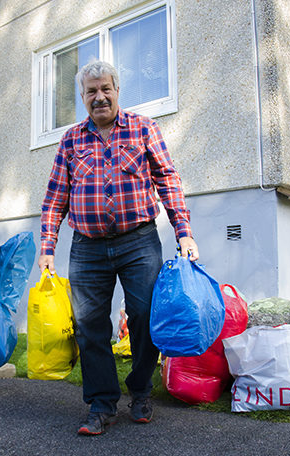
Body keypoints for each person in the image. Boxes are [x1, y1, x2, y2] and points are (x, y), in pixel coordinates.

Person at [39, 60, 199, 435]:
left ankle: (140, 391)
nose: (99, 97)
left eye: (105, 89)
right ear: (82, 97)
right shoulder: (71, 140)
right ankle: (101, 403)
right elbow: (55, 198)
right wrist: (47, 247)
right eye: (91, 91)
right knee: (89, 325)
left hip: (138, 241)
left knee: (144, 317)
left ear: (116, 90)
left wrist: (184, 232)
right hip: (87, 246)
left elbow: (168, 180)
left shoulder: (144, 128)